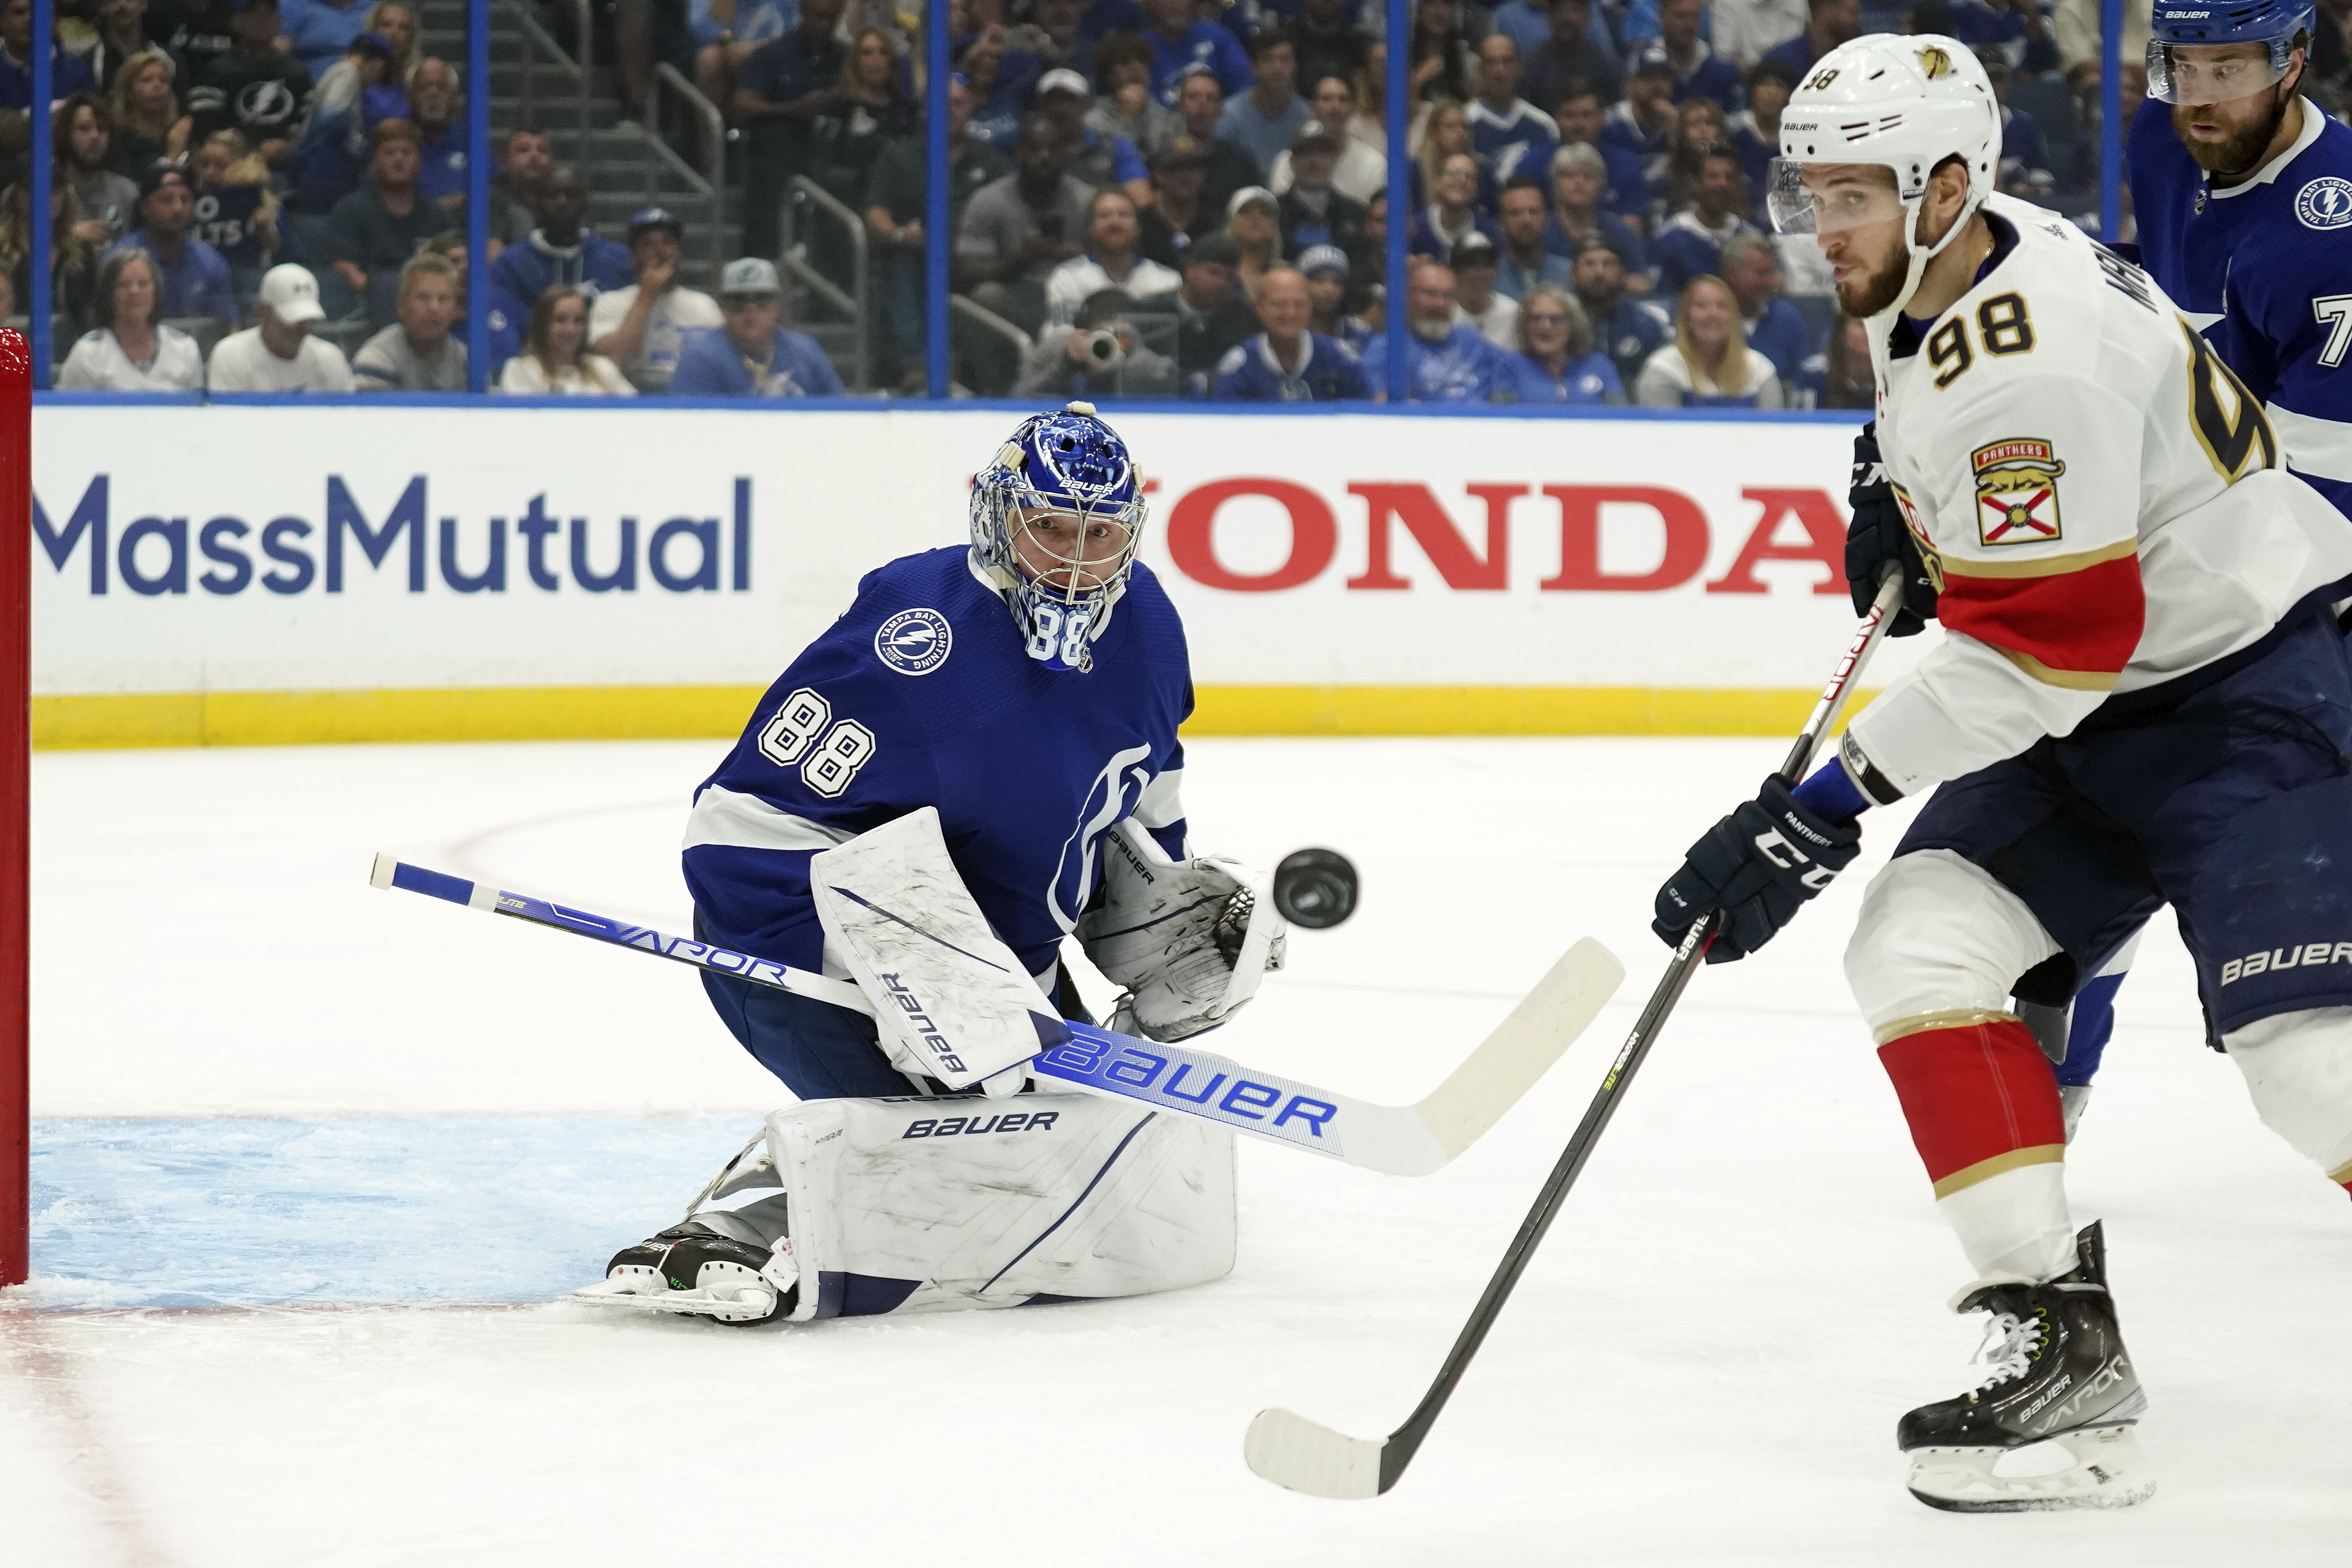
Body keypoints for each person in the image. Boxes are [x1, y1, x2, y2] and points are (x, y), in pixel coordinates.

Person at [1654, 34, 2352, 1513]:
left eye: (1852, 193)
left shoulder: (2021, 362)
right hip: (2117, 701)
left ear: (1945, 182)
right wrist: (1892, 489)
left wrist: (1814, 813)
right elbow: (1985, 478)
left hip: (2250, 695)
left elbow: (2045, 655)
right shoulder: (1964, 250)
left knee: (2314, 1076)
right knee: (1922, 942)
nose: (1820, 226)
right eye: (1812, 192)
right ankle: (2056, 1348)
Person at [582, 404, 1264, 1327]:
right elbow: (743, 822)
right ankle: (731, 1225)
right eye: (1051, 527)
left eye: (1101, 535)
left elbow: (1139, 795)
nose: (1074, 561)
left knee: (1067, 1174)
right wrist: (906, 966)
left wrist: (1168, 915)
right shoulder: (917, 636)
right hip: (796, 927)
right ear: (996, 514)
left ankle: (922, 1119)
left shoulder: (1145, 622)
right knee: (956, 1166)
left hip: (994, 956)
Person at [2031, 0, 2352, 1113]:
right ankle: (2052, 1087)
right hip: (2209, 548)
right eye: (2186, 64)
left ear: (2296, 61)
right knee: (2101, 806)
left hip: (2322, 563)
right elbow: (2152, 321)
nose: (2203, 90)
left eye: (2234, 65)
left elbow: (2320, 475)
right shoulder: (2164, 150)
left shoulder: (2337, 221)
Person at [865, 74, 1011, 387]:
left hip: (976, 260)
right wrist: (900, 234)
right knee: (900, 263)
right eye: (942, 104)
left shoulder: (993, 161)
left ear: (971, 109)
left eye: (959, 103)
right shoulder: (899, 155)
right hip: (919, 257)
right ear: (926, 110)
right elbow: (876, 210)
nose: (951, 111)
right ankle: (915, 366)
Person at [735, 0, 847, 257]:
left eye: (832, 18)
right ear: (803, 10)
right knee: (775, 141)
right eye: (819, 16)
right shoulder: (772, 55)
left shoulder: (846, 58)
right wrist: (794, 109)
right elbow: (742, 104)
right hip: (780, 155)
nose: (825, 24)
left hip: (833, 154)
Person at [323, 118, 448, 323]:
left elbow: (450, 265)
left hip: (427, 307)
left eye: (407, 153)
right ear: (375, 162)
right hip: (367, 307)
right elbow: (343, 267)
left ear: (419, 161)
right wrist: (384, 290)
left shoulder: (437, 215)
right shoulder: (351, 209)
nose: (399, 160)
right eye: (390, 153)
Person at [589, 207, 723, 392]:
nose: (660, 251)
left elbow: (721, 367)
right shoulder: (610, 303)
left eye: (668, 242)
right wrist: (647, 296)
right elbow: (611, 363)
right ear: (632, 258)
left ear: (678, 252)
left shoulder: (705, 306)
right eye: (647, 244)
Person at [672, 256, 846, 396]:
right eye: (738, 301)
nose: (751, 310)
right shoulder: (700, 360)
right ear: (724, 310)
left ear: (776, 309)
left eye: (761, 300)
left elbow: (837, 413)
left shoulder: (806, 351)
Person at [487, 164, 633, 310]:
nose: (562, 202)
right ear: (536, 204)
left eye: (571, 195)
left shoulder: (621, 260)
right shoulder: (511, 265)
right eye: (552, 195)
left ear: (586, 204)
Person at [107, 163, 236, 328]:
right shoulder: (119, 261)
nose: (178, 209)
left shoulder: (211, 262)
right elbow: (107, 327)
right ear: (144, 208)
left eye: (185, 200)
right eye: (166, 200)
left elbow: (230, 326)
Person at [1212, 262, 1367, 399]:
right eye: (1279, 304)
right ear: (1259, 309)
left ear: (1310, 307)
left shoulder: (1339, 358)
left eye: (1299, 304)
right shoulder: (1240, 366)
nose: (1290, 313)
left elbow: (1363, 416)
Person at [186, 0, 311, 169]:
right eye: (254, 12)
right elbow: (205, 127)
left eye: (269, 12)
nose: (263, 19)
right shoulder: (218, 71)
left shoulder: (297, 71)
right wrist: (251, 150)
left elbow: (309, 121)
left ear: (279, 22)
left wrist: (290, 146)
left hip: (288, 165)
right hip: (231, 167)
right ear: (237, 22)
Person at [57, 248, 205, 390]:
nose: (134, 291)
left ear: (156, 291)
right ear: (109, 294)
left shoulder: (185, 350)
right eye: (123, 285)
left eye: (143, 283)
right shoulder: (88, 354)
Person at [1362, 258, 1506, 400]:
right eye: (1429, 294)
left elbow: (1514, 371)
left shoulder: (1471, 340)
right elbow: (1385, 408)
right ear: (1405, 296)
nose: (1440, 304)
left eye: (1448, 295)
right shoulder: (1386, 350)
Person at [1634, 272, 1781, 405]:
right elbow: (1661, 432)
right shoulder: (1664, 369)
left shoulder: (1760, 369)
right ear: (1687, 319)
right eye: (1701, 306)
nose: (1713, 315)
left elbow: (1772, 430)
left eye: (1722, 307)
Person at [1045, 187, 1183, 326]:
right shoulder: (1068, 277)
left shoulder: (1168, 282)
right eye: (1105, 216)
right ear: (1091, 228)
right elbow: (1060, 336)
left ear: (1138, 227)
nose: (1115, 223)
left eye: (1124, 215)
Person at [206, 262, 356, 389]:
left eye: (308, 320)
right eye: (292, 319)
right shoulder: (231, 355)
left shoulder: (330, 359)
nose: (301, 330)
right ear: (263, 311)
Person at [1015, 286, 1179, 396]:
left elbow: (1175, 388)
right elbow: (1019, 396)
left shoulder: (1143, 356)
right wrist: (1066, 363)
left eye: (1118, 336)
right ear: (1082, 329)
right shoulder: (1058, 346)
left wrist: (1126, 363)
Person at [1651, 141, 1759, 295]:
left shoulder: (1749, 236)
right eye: (1713, 177)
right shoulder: (1669, 239)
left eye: (1729, 177)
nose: (1723, 184)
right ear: (1695, 182)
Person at [1033, 67, 1151, 208]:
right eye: (1053, 100)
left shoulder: (1115, 147)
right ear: (1041, 106)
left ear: (1086, 104)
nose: (1061, 108)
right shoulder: (1033, 152)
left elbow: (1142, 201)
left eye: (1070, 100)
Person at [351, 249, 466, 389]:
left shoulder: (466, 360)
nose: (434, 308)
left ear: (457, 309)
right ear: (401, 306)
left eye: (443, 299)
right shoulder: (376, 359)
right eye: (422, 298)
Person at [190, 128, 283, 302]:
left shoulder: (262, 202)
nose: (210, 172)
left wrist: (265, 228)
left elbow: (283, 252)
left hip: (248, 285)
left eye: (220, 166)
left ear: (243, 165)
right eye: (205, 165)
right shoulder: (188, 202)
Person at [495, 284, 637, 394]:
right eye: (560, 320)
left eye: (579, 320)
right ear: (542, 324)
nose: (571, 329)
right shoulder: (521, 370)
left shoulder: (603, 367)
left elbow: (637, 412)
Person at [1271, 72, 1387, 202]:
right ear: (1312, 107)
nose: (1335, 106)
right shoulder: (1286, 163)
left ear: (1353, 108)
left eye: (1343, 99)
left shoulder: (1374, 164)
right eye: (1326, 99)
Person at [1169, 230, 1261, 394]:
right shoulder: (1153, 309)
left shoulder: (1242, 316)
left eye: (1229, 277)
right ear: (1189, 270)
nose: (1221, 283)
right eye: (1214, 273)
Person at [1555, 82, 1653, 230]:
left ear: (1603, 118)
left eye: (1587, 115)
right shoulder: (1535, 164)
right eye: (1570, 116)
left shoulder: (1626, 164)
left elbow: (1632, 229)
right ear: (1557, 119)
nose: (1579, 124)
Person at [1574, 233, 1669, 385]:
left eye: (1608, 264)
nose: (1599, 272)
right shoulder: (1558, 322)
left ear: (1622, 273)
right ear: (1573, 274)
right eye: (1589, 264)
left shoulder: (1645, 325)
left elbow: (1661, 378)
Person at [1172, 67, 1269, 215]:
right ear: (1180, 106)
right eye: (1193, 97)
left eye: (1211, 99)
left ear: (1221, 110)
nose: (1202, 104)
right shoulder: (1165, 160)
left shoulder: (1240, 161)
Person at [1500, 282, 1620, 401]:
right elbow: (1500, 417)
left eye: (1556, 319)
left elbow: (1620, 416)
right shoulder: (1509, 367)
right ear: (1525, 325)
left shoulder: (1600, 365)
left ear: (1573, 325)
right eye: (1536, 318)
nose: (1545, 326)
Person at [1468, 33, 1561, 184]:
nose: (1499, 70)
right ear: (1481, 69)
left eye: (1507, 61)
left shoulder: (1544, 125)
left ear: (1520, 67)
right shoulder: (1466, 122)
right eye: (1491, 62)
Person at [1715, 229, 1808, 380]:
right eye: (1760, 273)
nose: (1769, 281)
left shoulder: (1788, 318)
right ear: (1732, 274)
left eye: (1771, 273)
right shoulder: (1711, 319)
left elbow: (1800, 379)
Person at [1544, 142, 1648, 276]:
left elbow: (1642, 282)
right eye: (1570, 176)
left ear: (1601, 187)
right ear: (1556, 186)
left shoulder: (1620, 232)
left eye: (1588, 177)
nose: (1579, 183)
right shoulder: (1541, 232)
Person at [1273, 119, 1369, 257]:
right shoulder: (1275, 214)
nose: (1315, 161)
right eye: (1307, 153)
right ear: (1292, 162)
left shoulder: (1357, 214)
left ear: (1336, 159)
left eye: (1323, 153)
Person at [58, 95, 141, 248]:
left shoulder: (128, 193)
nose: (95, 136)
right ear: (66, 135)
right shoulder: (45, 194)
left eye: (102, 129)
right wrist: (69, 236)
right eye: (84, 128)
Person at [1142, 0, 1252, 105]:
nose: (1174, 2)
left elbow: (1246, 88)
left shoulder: (1218, 37)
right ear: (1151, 3)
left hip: (1217, 121)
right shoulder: (1142, 48)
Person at [1088, 31, 1178, 153]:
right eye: (1125, 63)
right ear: (1109, 75)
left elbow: (1161, 155)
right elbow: (1115, 157)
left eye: (1142, 62)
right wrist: (1127, 116)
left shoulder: (1158, 111)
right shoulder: (1095, 117)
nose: (1136, 68)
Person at [1137, 133, 1220, 264]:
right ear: (1159, 174)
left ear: (1203, 174)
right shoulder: (1140, 226)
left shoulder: (1216, 226)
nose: (1185, 177)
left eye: (1193, 167)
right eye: (1176, 168)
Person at [106, 49, 190, 178]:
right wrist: (172, 156)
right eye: (146, 80)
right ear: (129, 92)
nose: (157, 86)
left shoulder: (179, 132)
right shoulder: (116, 140)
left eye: (164, 80)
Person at [0, 0, 94, 109]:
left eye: (38, 11)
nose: (30, 19)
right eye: (19, 12)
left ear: (54, 19)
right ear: (2, 21)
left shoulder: (76, 70)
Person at [1411, 150, 1503, 256]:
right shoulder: (1414, 229)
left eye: (1469, 177)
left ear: (1476, 188)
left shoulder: (1489, 233)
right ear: (1436, 182)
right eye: (1453, 173)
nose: (1462, 181)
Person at [406, 58, 467, 212]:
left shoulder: (471, 139)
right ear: (410, 95)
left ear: (454, 97)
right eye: (424, 87)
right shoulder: (397, 140)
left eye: (442, 87)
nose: (433, 93)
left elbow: (492, 190)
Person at [1496, 175, 1572, 297]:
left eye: (1533, 212)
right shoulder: (1490, 278)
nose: (1526, 220)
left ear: (1546, 219)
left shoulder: (1570, 274)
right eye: (1515, 213)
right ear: (1502, 222)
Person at [1449, 230, 1519, 349]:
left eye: (1487, 265)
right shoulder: (1445, 312)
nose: (1481, 274)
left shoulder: (1513, 312)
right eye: (1472, 266)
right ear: (1455, 272)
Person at [1789, 311, 1870, 407]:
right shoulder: (1813, 375)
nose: (1869, 332)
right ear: (1841, 330)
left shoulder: (1891, 376)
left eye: (1877, 326)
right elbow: (1802, 419)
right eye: (1861, 325)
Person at [488, 125, 551, 250]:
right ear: (505, 160)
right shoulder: (490, 197)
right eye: (523, 150)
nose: (534, 155)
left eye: (542, 150)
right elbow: (492, 256)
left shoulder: (563, 198)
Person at [1763, 0, 1861, 74]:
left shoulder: (1861, 55)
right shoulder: (1780, 61)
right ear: (1826, 10)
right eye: (1851, 12)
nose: (1859, 19)